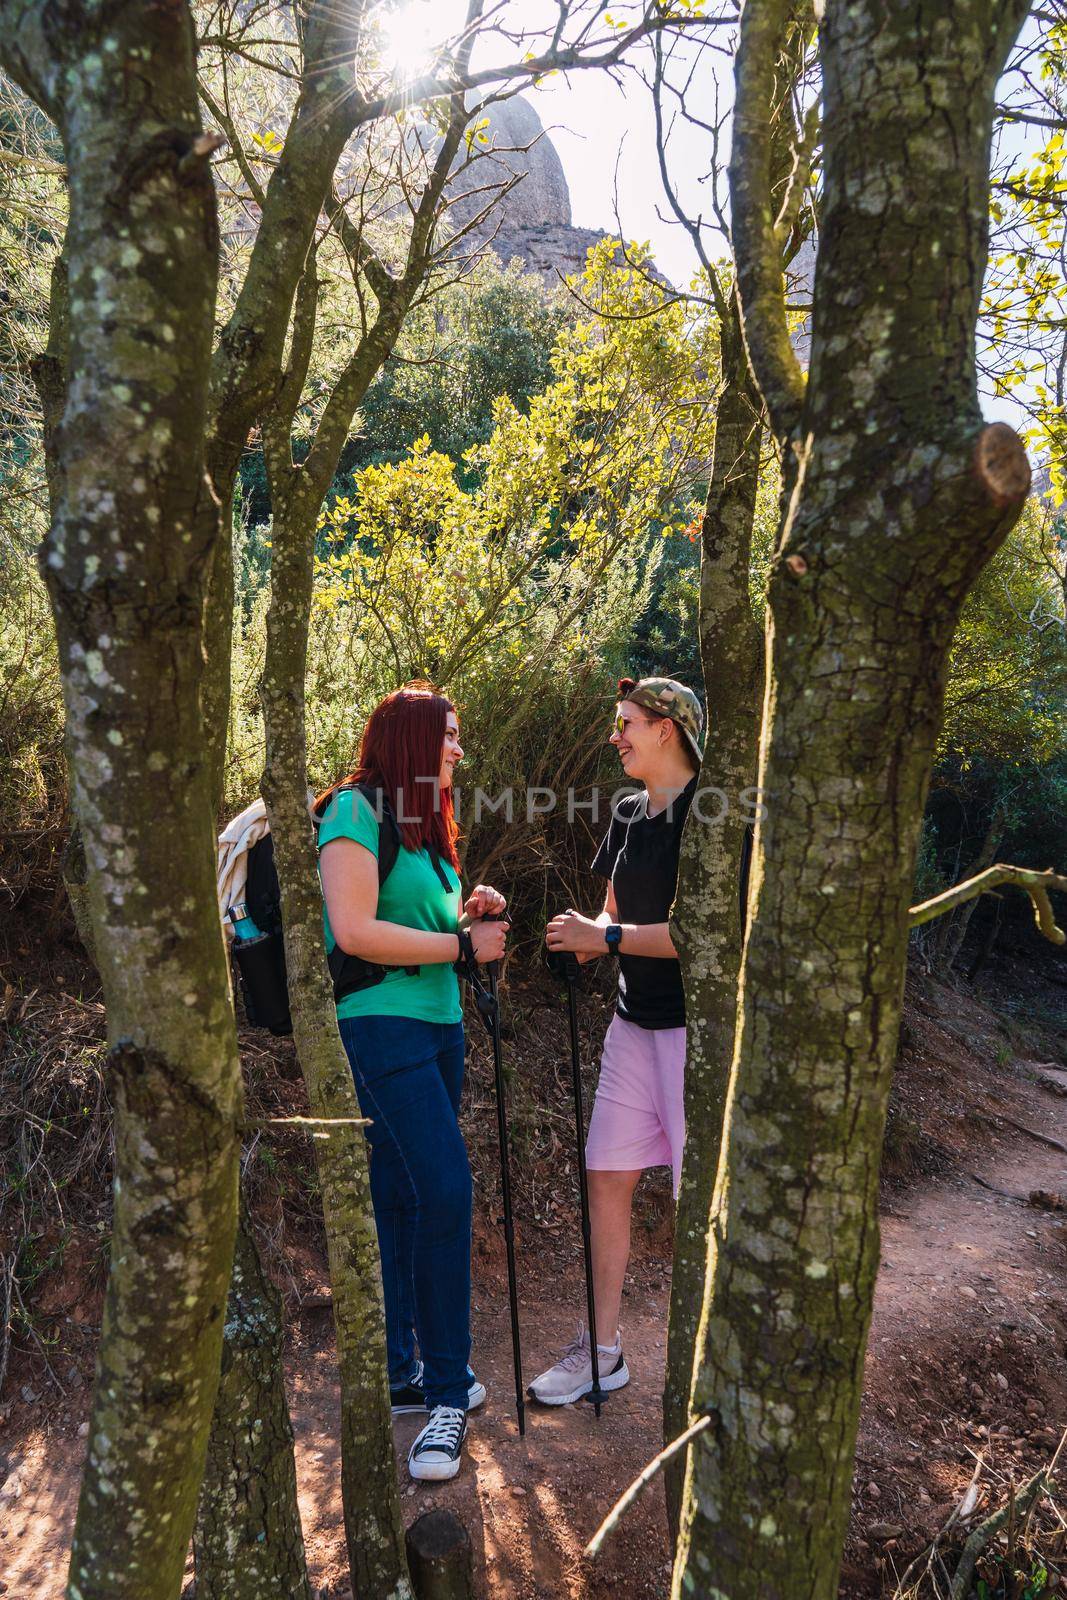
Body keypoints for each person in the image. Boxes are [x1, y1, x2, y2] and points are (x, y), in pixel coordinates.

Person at [318, 682, 508, 1481]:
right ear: (411, 738)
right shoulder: (352, 812)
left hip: (440, 1026)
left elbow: (419, 928)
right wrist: (463, 950)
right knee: (445, 1189)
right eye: (449, 735)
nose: (459, 749)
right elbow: (355, 929)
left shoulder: (424, 826)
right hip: (381, 1025)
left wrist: (470, 916)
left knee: (400, 1195)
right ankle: (444, 1398)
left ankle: (403, 1374)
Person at [529, 676, 704, 1406]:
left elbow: (703, 937)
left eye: (626, 722)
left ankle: (708, 1361)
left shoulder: (711, 816)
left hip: (700, 1036)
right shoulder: (630, 811)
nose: (616, 735)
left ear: (665, 728)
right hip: (632, 1027)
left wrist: (604, 935)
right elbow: (611, 920)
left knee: (698, 1198)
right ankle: (599, 1353)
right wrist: (577, 940)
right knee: (605, 1177)